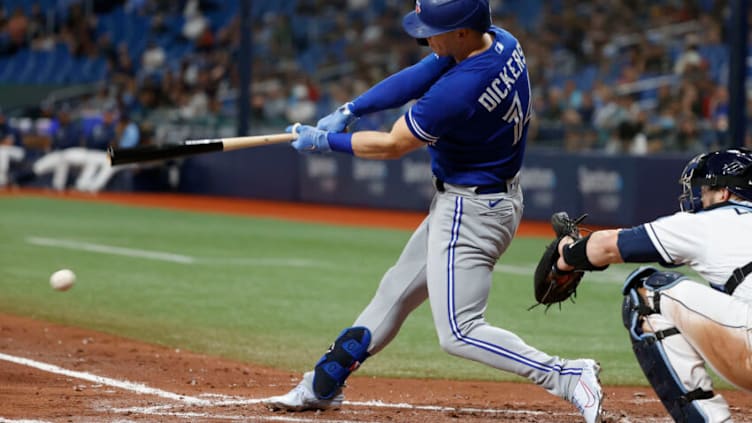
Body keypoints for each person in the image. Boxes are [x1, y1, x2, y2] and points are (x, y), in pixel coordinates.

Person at [264, 1, 603, 422]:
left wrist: (323, 142)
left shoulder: (462, 89)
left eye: (434, 30)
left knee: (460, 332)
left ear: (461, 31)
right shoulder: (500, 41)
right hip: (478, 200)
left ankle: (568, 375)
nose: (426, 38)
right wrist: (352, 110)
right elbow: (423, 72)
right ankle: (322, 384)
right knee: (394, 293)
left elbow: (392, 144)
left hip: (472, 209)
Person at [554, 147, 752, 422]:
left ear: (724, 193)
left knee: (647, 292)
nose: (700, 196)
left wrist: (565, 255)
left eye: (705, 189)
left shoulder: (706, 223)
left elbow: (607, 247)